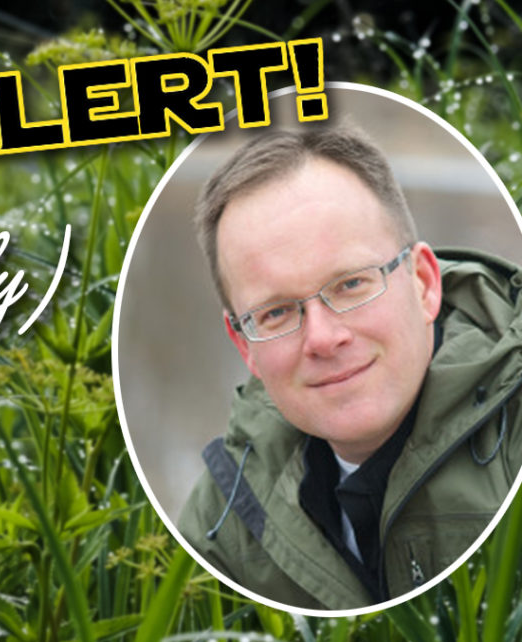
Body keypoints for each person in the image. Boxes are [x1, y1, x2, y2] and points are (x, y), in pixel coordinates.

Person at [177, 123, 522, 610]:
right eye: (276, 312)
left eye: (351, 285)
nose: (322, 337)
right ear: (244, 345)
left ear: (423, 284)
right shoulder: (227, 510)